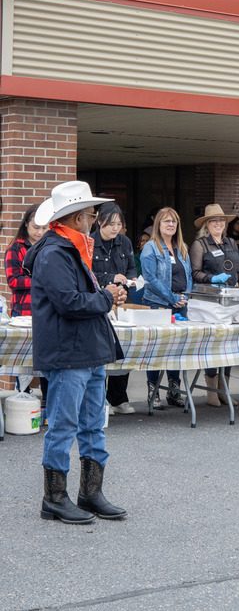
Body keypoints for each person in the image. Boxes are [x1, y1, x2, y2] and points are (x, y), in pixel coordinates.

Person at [24, 180, 127, 524]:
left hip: (83, 349)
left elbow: (75, 300)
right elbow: (69, 303)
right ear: (77, 217)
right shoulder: (57, 252)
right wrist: (108, 297)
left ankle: (88, 494)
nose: (94, 218)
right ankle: (55, 498)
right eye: (90, 213)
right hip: (71, 351)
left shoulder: (68, 247)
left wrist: (105, 296)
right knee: (66, 426)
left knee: (91, 425)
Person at [189, 203, 239, 406]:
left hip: (231, 300)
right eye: (213, 221)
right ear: (206, 224)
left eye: (221, 221)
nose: (218, 224)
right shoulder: (200, 245)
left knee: (231, 344)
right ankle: (211, 390)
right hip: (211, 302)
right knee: (214, 344)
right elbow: (195, 273)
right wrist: (213, 278)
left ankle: (225, 388)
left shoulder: (232, 243)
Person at [141, 207, 192, 409]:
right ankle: (153, 392)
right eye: (166, 221)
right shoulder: (151, 248)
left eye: (173, 221)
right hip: (158, 305)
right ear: (158, 225)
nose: (170, 224)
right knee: (156, 350)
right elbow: (150, 279)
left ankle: (173, 390)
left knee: (177, 350)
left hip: (180, 305)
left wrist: (184, 297)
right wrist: (171, 297)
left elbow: (188, 276)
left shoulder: (182, 248)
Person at [91, 203, 137, 416]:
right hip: (98, 301)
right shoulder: (90, 242)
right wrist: (109, 278)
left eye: (119, 224)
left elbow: (130, 267)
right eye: (111, 224)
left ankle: (119, 397)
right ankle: (101, 400)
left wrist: (129, 280)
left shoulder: (124, 242)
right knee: (101, 350)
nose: (115, 228)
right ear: (100, 221)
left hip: (120, 301)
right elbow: (87, 273)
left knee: (123, 347)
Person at [4, 205, 49, 406]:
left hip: (48, 311)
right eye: (35, 227)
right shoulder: (15, 248)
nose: (39, 232)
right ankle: (21, 401)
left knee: (48, 357)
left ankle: (48, 402)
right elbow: (14, 281)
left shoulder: (51, 247)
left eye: (44, 228)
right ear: (26, 224)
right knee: (22, 357)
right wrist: (43, 281)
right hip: (23, 312)